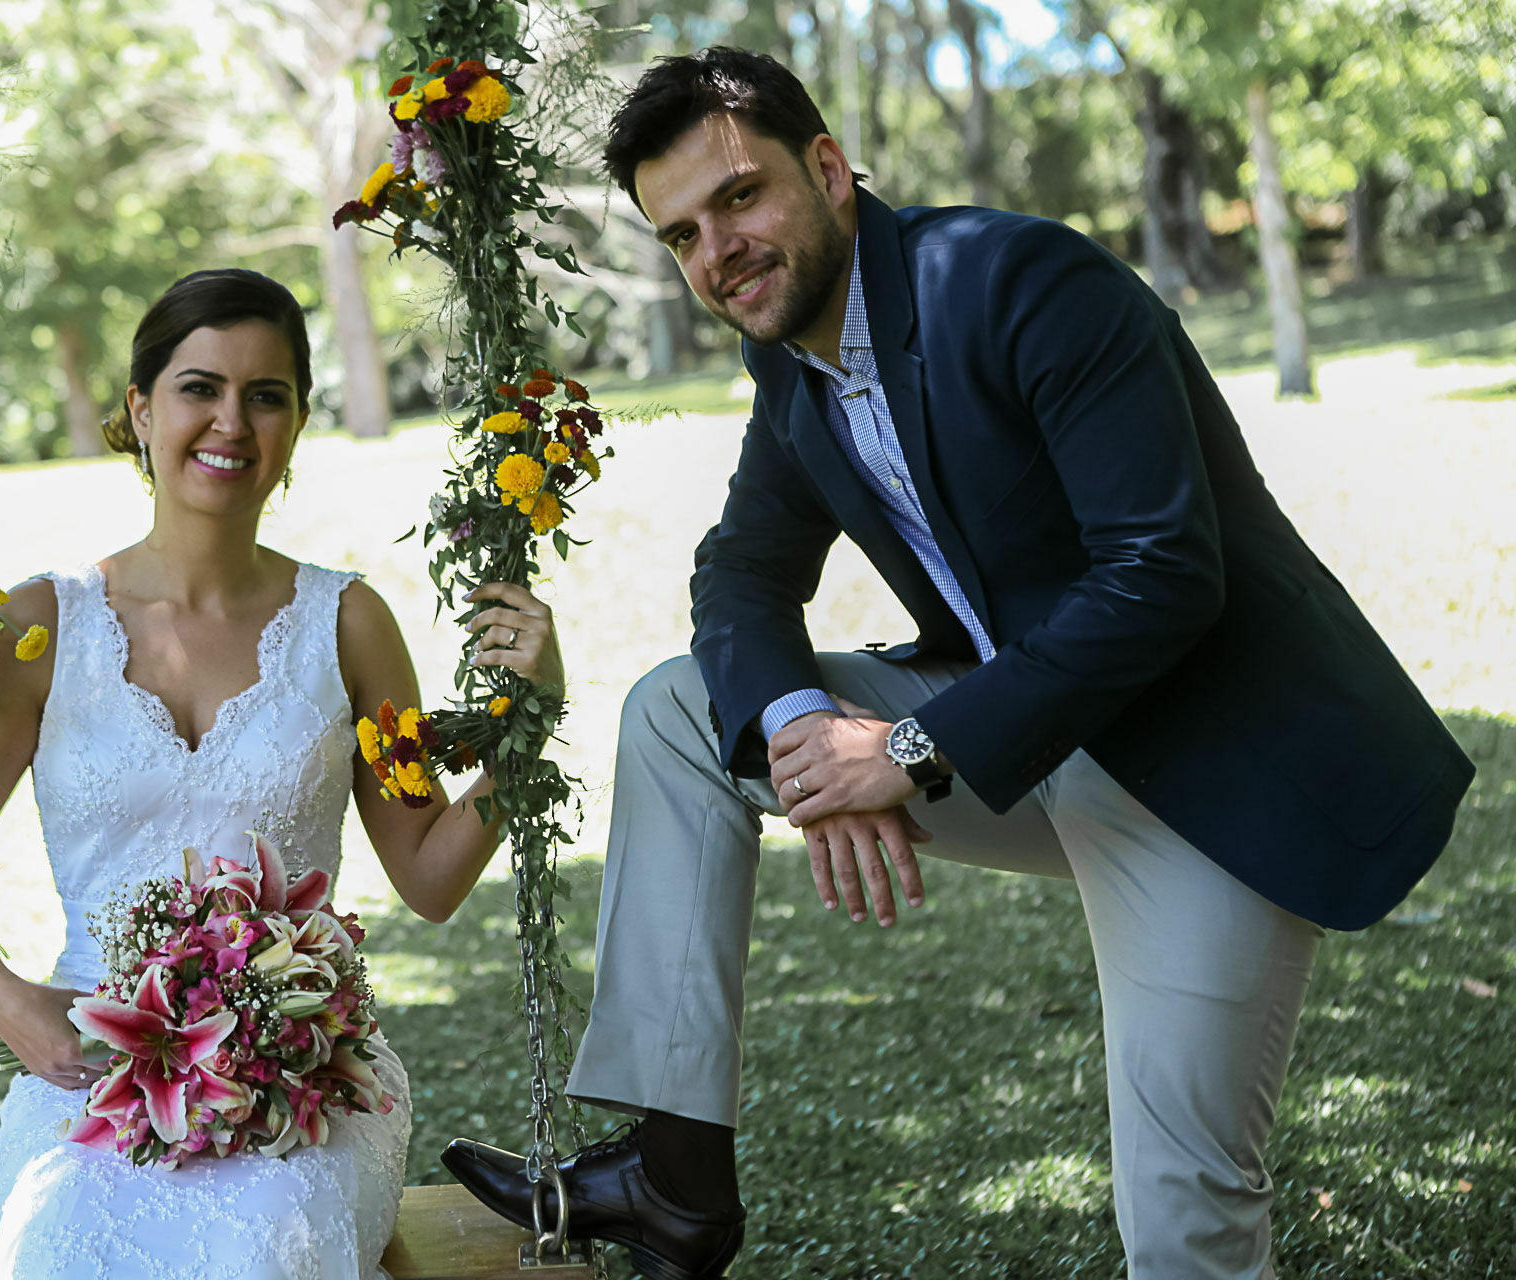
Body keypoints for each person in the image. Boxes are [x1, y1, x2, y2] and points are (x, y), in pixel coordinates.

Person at [442, 48, 1475, 1280]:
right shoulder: (792, 364)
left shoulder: (1020, 281)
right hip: (1022, 746)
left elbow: (1161, 573)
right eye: (681, 235)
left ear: (828, 168)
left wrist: (907, 751)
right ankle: (675, 1181)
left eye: (739, 196)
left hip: (1210, 772)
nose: (718, 249)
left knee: (1183, 1212)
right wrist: (806, 737)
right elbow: (740, 573)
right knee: (680, 710)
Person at [0, 268, 564, 1280]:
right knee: (52, 1251)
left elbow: (430, 877)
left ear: (299, 423)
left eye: (267, 394)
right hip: (93, 1056)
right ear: (139, 409)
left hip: (304, 1074)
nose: (232, 420)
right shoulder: (38, 626)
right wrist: (3, 993)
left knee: (264, 1251)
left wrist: (527, 724)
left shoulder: (347, 624)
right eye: (199, 387)